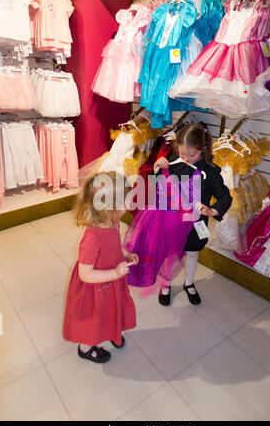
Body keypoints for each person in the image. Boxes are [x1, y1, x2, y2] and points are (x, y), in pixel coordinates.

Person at [124, 122, 232, 306]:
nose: (187, 158)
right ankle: (165, 284)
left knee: (192, 253)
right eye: (183, 153)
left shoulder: (211, 171)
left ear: (204, 150)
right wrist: (157, 168)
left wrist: (212, 210)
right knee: (170, 254)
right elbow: (156, 185)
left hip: (196, 223)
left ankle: (189, 283)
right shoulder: (173, 161)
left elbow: (224, 196)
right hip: (171, 222)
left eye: (192, 155)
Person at [63, 171, 138, 364]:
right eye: (124, 203)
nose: (128, 206)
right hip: (94, 287)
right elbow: (85, 273)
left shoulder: (112, 223)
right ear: (107, 208)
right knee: (94, 318)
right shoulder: (92, 239)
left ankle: (113, 330)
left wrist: (125, 253)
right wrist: (115, 272)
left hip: (111, 279)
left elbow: (114, 244)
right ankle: (86, 348)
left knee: (112, 308)